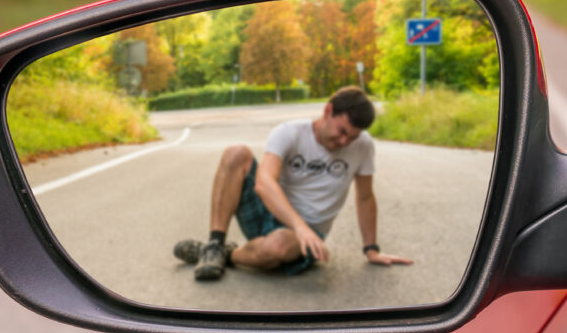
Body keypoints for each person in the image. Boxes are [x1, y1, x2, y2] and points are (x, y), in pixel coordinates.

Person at [174, 86, 413, 281]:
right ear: (328, 111)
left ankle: (226, 254)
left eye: (352, 137)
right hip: (271, 213)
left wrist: (371, 249)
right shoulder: (290, 133)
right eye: (342, 132)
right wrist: (300, 226)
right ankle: (215, 243)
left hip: (304, 235)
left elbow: (365, 197)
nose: (344, 141)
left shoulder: (363, 146)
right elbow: (264, 182)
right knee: (236, 152)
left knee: (278, 246)